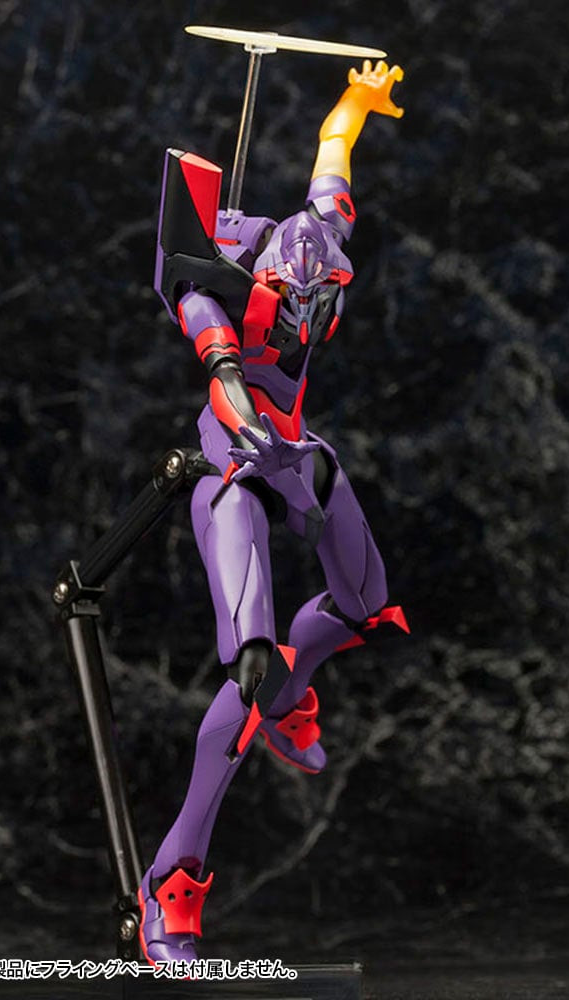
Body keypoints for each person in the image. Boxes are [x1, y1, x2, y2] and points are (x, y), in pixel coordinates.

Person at [139, 59, 407, 964]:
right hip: (234, 471)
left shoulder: (318, 239)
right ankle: (171, 881)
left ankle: (297, 692)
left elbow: (333, 161)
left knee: (369, 606)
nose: (313, 314)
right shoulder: (214, 300)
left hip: (297, 452)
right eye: (300, 300)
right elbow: (223, 378)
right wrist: (250, 427)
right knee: (249, 665)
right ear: (270, 284)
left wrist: (354, 101)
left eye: (324, 296)